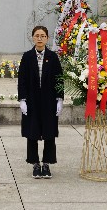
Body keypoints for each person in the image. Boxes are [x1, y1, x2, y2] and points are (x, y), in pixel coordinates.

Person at [18, 25, 64, 179]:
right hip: (32, 100)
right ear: (33, 38)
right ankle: (35, 164)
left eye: (42, 36)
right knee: (32, 132)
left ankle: (47, 164)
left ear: (47, 38)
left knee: (49, 132)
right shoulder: (27, 57)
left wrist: (59, 99)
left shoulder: (53, 56)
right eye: (37, 36)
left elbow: (59, 79)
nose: (39, 38)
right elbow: (22, 80)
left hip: (49, 101)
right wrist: (22, 100)